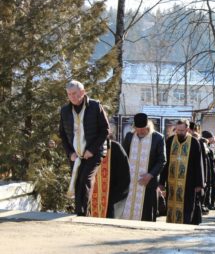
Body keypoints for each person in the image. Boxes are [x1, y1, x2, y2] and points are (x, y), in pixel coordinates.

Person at [59, 80, 109, 216]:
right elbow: (62, 134)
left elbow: (105, 130)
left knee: (85, 179)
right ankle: (79, 212)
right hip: (75, 154)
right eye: (69, 94)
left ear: (83, 92)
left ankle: (82, 214)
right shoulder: (65, 111)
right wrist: (70, 153)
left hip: (93, 152)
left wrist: (91, 150)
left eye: (74, 93)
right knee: (77, 180)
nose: (72, 97)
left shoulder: (95, 106)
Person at [121, 113, 166, 221]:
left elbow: (162, 160)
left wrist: (150, 175)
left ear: (148, 126)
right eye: (137, 128)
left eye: (143, 129)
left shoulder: (158, 138)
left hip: (148, 183)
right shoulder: (129, 136)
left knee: (146, 213)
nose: (140, 131)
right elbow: (123, 157)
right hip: (130, 182)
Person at [159, 119, 204, 225]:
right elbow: (165, 163)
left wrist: (199, 184)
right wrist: (161, 182)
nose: (179, 132)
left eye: (182, 130)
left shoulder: (194, 142)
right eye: (177, 130)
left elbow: (199, 164)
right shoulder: (170, 141)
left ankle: (185, 227)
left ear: (187, 129)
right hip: (172, 183)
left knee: (187, 208)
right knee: (171, 208)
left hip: (188, 182)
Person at [89, 138, 130, 218]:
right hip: (90, 199)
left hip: (110, 200)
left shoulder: (116, 148)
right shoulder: (87, 149)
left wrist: (113, 199)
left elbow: (124, 177)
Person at [202, 131, 215, 210]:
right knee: (207, 187)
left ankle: (212, 203)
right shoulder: (204, 144)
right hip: (208, 169)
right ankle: (206, 203)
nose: (213, 140)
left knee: (214, 187)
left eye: (213, 138)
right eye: (211, 139)